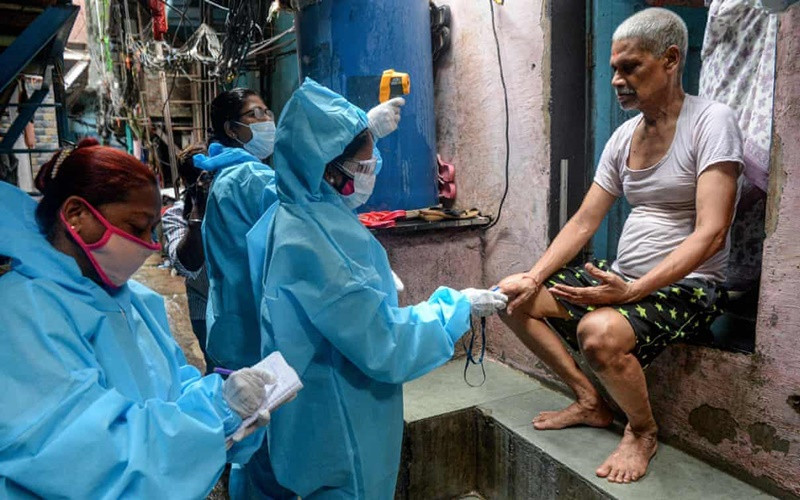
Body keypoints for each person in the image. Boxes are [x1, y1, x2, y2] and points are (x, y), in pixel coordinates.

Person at [496, 8, 742, 484]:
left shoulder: (711, 122)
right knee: (513, 297)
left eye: (630, 67)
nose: (616, 81)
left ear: (670, 59)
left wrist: (632, 292)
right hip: (625, 277)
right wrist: (534, 275)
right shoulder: (624, 136)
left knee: (598, 333)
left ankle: (642, 431)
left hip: (691, 286)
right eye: (613, 69)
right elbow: (585, 220)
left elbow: (712, 233)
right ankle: (590, 400)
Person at [240, 78, 508, 498]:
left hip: (310, 423)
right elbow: (384, 344)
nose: (372, 173)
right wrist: (456, 308)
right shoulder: (317, 243)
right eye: (365, 165)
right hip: (341, 427)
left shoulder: (297, 212)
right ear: (329, 170)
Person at [0, 139, 276, 498]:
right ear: (76, 215)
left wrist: (224, 400)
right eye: (135, 227)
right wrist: (215, 417)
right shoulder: (24, 311)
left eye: (152, 230)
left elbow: (172, 386)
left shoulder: (132, 300)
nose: (149, 245)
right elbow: (92, 459)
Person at [195, 88, 279, 371]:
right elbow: (300, 220)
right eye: (255, 114)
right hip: (253, 329)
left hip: (231, 325)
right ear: (231, 129)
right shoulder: (251, 176)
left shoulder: (227, 174)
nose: (267, 120)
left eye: (267, 112)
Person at [162, 143, 213, 371]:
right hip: (204, 307)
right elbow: (186, 266)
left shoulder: (231, 204)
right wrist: (198, 208)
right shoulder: (176, 215)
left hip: (243, 306)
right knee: (219, 370)